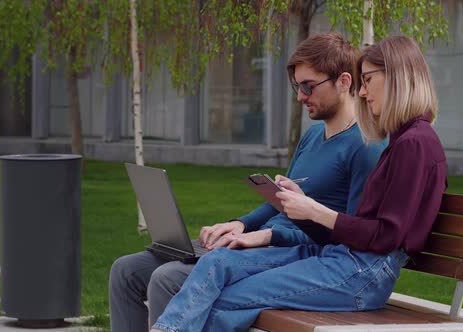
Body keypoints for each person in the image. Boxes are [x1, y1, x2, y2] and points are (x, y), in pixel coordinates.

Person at [149, 35, 447, 332]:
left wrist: (314, 211)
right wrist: (301, 209)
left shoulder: (413, 144)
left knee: (227, 299)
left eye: (368, 80)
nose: (364, 92)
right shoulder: (407, 139)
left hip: (361, 273)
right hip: (343, 259)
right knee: (219, 267)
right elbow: (368, 232)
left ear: (398, 77)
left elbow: (386, 237)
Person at [109, 32, 385, 332]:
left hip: (295, 256)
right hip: (260, 242)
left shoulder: (364, 148)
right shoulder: (313, 137)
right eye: (297, 86)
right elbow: (281, 204)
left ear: (344, 82)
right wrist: (240, 224)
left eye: (308, 86)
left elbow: (347, 239)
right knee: (126, 270)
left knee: (168, 278)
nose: (300, 96)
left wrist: (268, 237)